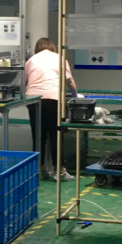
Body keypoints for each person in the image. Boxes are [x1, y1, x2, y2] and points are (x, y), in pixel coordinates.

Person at [24, 37, 79, 181]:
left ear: (37, 48)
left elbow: (25, 82)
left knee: (38, 136)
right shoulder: (59, 58)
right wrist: (76, 96)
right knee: (56, 136)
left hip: (33, 100)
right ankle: (59, 172)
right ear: (52, 47)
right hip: (53, 99)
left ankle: (39, 170)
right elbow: (69, 80)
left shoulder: (31, 60)